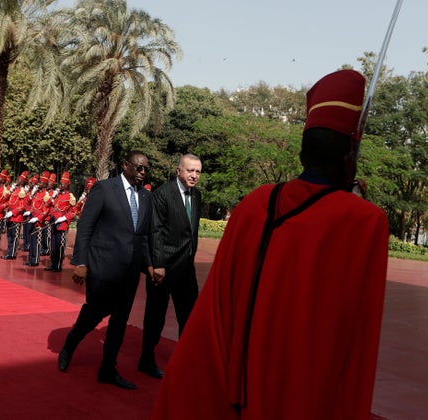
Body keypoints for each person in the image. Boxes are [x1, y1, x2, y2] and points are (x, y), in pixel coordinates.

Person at [152, 69, 389, 419]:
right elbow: (355, 347)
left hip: (232, 385)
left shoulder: (256, 203)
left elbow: (216, 311)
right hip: (300, 394)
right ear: (348, 156)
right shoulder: (365, 222)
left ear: (303, 153)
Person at [57, 150, 154, 390]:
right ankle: (70, 343)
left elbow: (142, 237)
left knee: (119, 324)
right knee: (93, 315)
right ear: (125, 165)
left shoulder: (146, 197)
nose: (142, 173)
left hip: (129, 273)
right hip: (102, 268)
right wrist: (81, 263)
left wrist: (149, 265)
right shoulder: (104, 189)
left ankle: (108, 369)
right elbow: (86, 227)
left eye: (145, 169)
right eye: (138, 168)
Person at [139, 153, 202, 379]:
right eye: (190, 171)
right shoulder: (163, 194)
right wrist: (158, 264)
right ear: (179, 171)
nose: (194, 175)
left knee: (189, 316)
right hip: (163, 269)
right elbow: (155, 230)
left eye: (197, 172)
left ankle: (185, 359)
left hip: (186, 269)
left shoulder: (197, 196)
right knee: (155, 317)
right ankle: (146, 360)